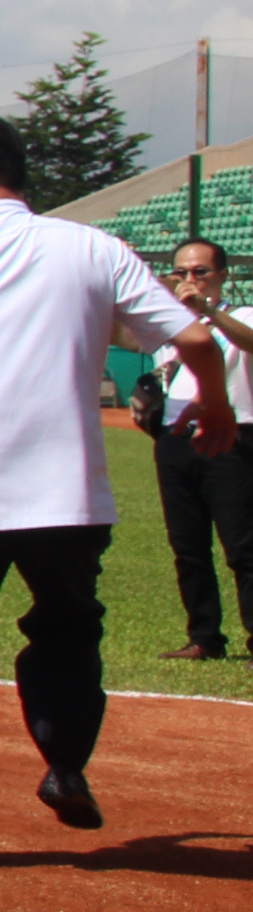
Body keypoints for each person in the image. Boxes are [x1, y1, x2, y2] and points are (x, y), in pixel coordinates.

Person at [0, 117, 233, 869]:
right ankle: (64, 766)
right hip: (68, 498)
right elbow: (192, 340)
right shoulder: (93, 248)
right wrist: (217, 407)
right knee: (66, 633)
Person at [145, 238, 253, 661]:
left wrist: (207, 311)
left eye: (200, 272)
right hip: (176, 441)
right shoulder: (168, 327)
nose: (190, 280)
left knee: (242, 544)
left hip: (233, 438)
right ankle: (204, 636)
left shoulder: (239, 315)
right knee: (187, 546)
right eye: (181, 272)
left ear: (223, 276)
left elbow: (250, 342)